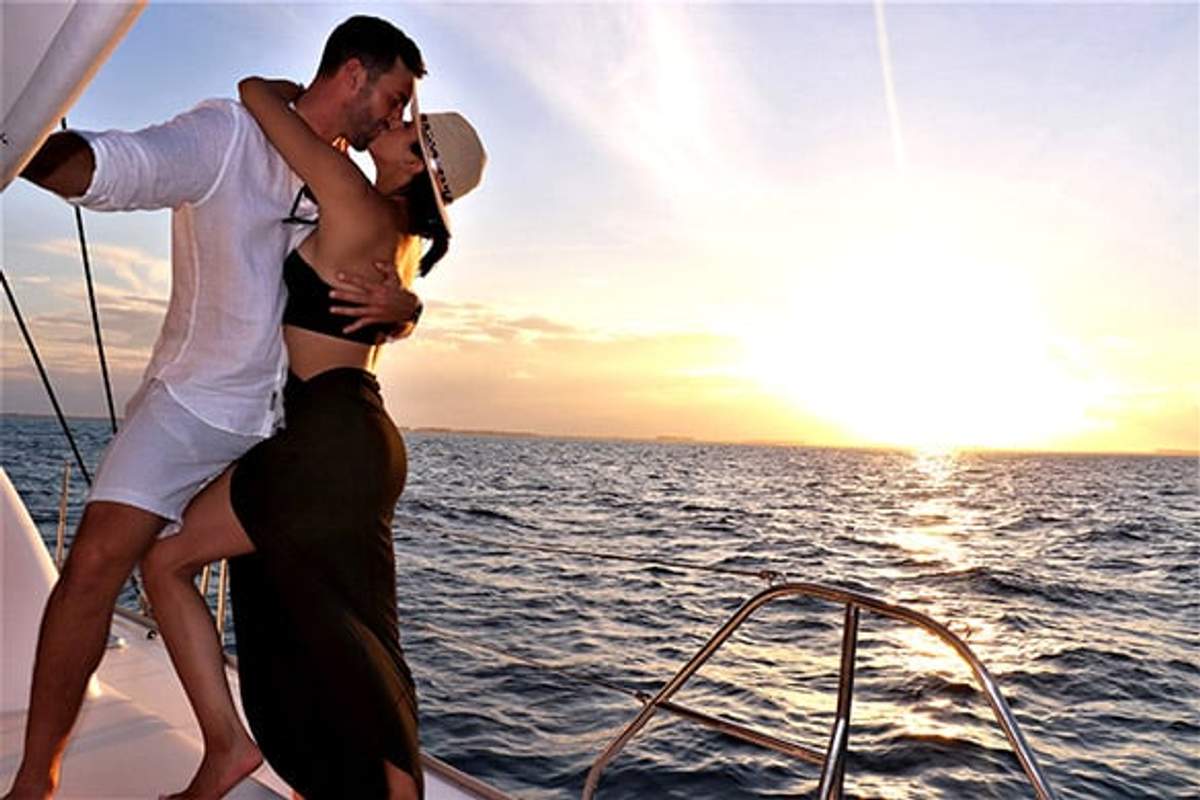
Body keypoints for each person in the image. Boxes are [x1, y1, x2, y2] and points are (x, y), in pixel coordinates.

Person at [3, 17, 427, 800]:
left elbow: (383, 278)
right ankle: (37, 779)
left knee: (313, 624)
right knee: (98, 563)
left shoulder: (346, 181)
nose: (394, 120)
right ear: (356, 73)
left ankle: (303, 767)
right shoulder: (232, 132)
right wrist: (17, 145)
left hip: (286, 433)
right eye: (395, 98)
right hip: (196, 407)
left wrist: (405, 310)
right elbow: (120, 167)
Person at [137, 74, 486, 799]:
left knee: (169, 563)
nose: (387, 121)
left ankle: (229, 748)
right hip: (358, 438)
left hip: (323, 438)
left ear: (415, 161)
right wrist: (410, 308)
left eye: (401, 122)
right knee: (349, 628)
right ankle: (383, 783)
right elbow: (391, 307)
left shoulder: (352, 195)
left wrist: (305, 87)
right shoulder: (405, 240)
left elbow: (259, 101)